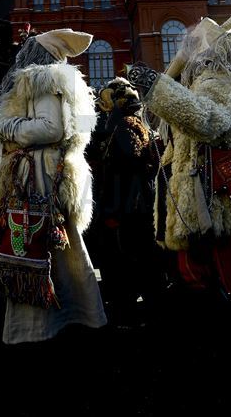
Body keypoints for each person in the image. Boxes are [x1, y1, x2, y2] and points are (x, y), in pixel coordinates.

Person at [127, 16, 231, 304]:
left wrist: (157, 88)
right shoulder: (202, 81)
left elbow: (208, 119)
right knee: (209, 278)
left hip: (221, 196)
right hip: (204, 194)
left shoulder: (216, 78)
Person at [0, 28, 107, 344]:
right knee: (62, 251)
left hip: (37, 176)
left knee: (31, 246)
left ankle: (36, 328)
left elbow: (50, 129)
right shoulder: (69, 84)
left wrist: (5, 128)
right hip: (55, 173)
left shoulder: (41, 79)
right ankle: (81, 313)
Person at [87, 77, 163, 327]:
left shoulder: (119, 127)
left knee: (122, 260)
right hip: (140, 203)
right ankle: (146, 307)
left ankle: (128, 311)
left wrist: (111, 209)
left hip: (121, 205)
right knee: (142, 257)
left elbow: (124, 165)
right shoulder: (138, 125)